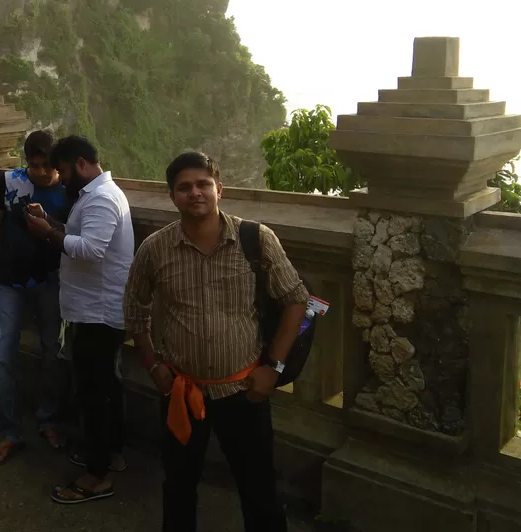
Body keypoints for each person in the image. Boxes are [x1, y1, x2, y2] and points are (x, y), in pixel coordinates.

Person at [124, 152, 309, 532]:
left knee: (259, 490)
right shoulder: (155, 249)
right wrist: (152, 365)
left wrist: (272, 368)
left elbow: (296, 300)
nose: (195, 193)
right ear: (171, 196)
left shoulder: (256, 240)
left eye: (203, 184)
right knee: (178, 485)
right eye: (184, 187)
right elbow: (134, 308)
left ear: (219, 189)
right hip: (181, 391)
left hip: (244, 390)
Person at [24, 135, 134, 505]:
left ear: (83, 164)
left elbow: (92, 249)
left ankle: (96, 476)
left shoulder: (101, 197)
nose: (62, 177)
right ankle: (110, 454)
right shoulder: (96, 195)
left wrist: (49, 233)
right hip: (96, 310)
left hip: (98, 314)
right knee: (106, 387)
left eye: (65, 170)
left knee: (93, 395)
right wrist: (52, 221)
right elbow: (83, 235)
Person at [0, 130, 71, 466]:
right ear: (25, 161)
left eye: (48, 166)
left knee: (53, 352)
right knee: (1, 357)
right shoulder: (8, 183)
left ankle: (49, 419)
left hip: (51, 282)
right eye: (35, 165)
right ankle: (10, 430)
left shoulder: (69, 189)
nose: (43, 173)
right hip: (7, 282)